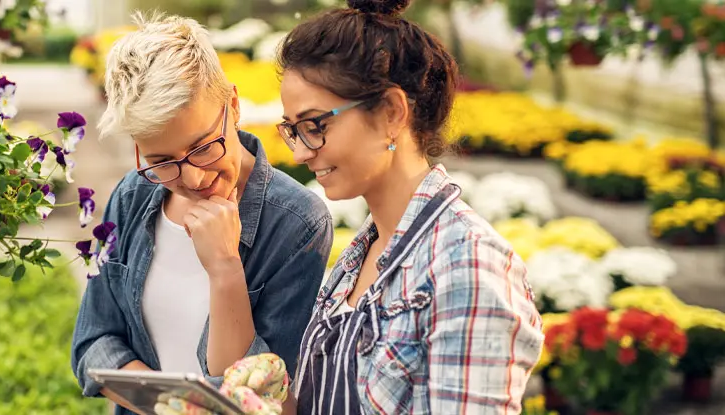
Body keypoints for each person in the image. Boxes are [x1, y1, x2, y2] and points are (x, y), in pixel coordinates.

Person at [159, 0, 545, 414]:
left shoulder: (467, 266)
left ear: (392, 112)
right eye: (293, 130)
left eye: (316, 126)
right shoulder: (359, 258)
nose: (301, 153)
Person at [69, 11, 335, 415]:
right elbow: (93, 341)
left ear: (232, 103)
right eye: (162, 160)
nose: (192, 178)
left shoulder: (297, 223)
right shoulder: (133, 194)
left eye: (203, 146)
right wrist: (168, 407)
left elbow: (263, 396)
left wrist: (226, 268)